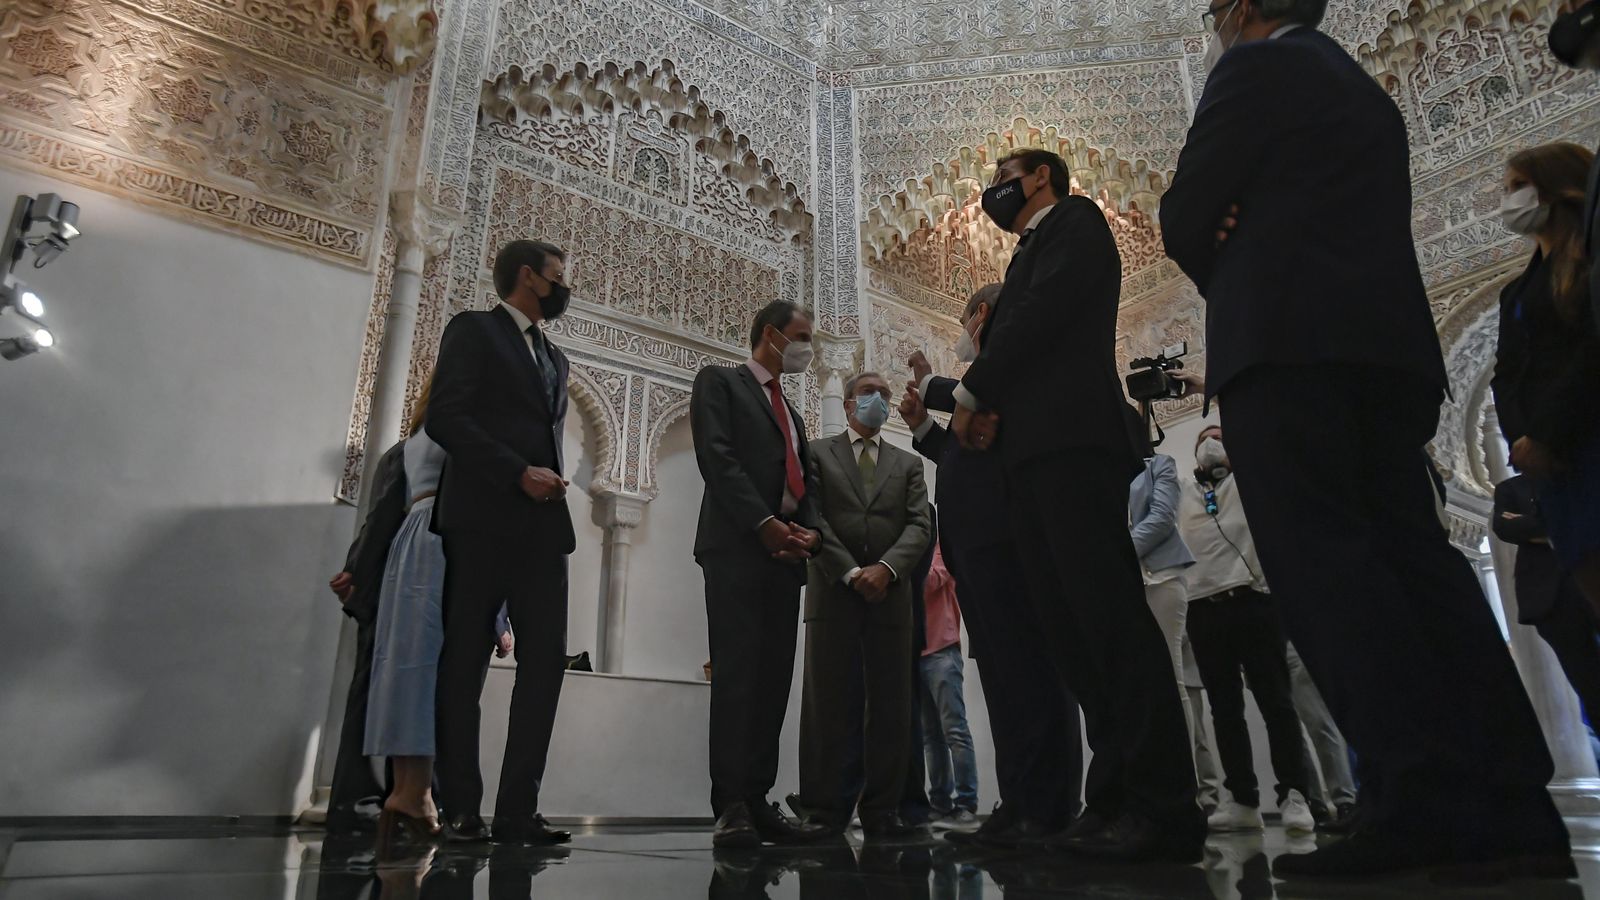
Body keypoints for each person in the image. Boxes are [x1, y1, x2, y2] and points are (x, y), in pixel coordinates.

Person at [1160, 0, 1569, 877]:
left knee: (1332, 578)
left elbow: (1188, 216)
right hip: (1383, 354)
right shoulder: (1360, 87)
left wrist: (1226, 236)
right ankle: (1506, 797)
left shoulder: (1251, 69)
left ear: (1239, 10)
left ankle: (1412, 798)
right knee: (1415, 565)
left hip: (1286, 351)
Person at [946, 149, 1202, 861]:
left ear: (1040, 178)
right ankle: (1115, 799)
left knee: (1109, 624)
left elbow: (1038, 320)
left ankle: (1163, 807)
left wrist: (973, 393)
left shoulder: (1076, 224)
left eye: (1005, 174)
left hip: (1071, 450)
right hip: (1033, 457)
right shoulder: (1036, 245)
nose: (993, 188)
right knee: (1074, 635)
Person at [903, 284, 1086, 850]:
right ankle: (1019, 802)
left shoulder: (1006, 368)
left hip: (1009, 547)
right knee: (1008, 680)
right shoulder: (977, 395)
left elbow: (983, 422)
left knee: (1031, 675)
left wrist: (934, 385)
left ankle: (1048, 806)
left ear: (980, 317)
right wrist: (921, 430)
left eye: (964, 321)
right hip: (980, 555)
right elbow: (967, 454)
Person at [426, 239, 577, 846]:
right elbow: (447, 417)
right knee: (464, 660)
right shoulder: (474, 331)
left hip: (542, 530)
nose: (564, 286)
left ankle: (519, 809)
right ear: (527, 277)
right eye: (557, 277)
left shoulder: (555, 357)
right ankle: (460, 805)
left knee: (544, 665)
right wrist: (517, 471)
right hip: (483, 519)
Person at [690, 299, 833, 849]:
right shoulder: (721, 384)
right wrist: (762, 523)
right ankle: (730, 804)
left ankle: (757, 798)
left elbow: (807, 484)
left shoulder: (792, 413)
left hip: (786, 559)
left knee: (773, 682)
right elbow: (718, 457)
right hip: (737, 551)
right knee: (738, 678)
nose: (806, 348)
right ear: (770, 335)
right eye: (801, 336)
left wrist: (811, 533)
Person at [364, 376, 513, 848]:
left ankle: (409, 793)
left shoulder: (418, 436)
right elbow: (486, 507)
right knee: (441, 676)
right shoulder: (463, 431)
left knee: (409, 671)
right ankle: (417, 797)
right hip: (449, 539)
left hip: (411, 543)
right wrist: (500, 615)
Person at [797, 371, 932, 837]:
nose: (878, 399)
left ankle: (883, 810)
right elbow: (812, 516)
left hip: (891, 599)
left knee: (891, 706)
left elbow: (919, 525)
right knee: (827, 704)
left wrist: (887, 569)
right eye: (868, 392)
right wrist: (852, 571)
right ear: (850, 404)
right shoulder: (817, 452)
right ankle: (823, 809)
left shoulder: (908, 463)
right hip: (834, 593)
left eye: (885, 394)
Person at [1177, 426, 1315, 836]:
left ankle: (1295, 794)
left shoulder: (1250, 484)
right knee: (1225, 709)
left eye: (1218, 436)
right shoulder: (1186, 493)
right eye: (1203, 439)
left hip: (1254, 600)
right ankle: (1241, 798)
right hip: (1204, 608)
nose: (1209, 443)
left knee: (1276, 702)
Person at [1491, 143, 1600, 616]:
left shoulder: (1587, 265)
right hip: (1556, 469)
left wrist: (1548, 433)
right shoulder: (1519, 289)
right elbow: (1507, 372)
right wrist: (1521, 439)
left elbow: (1589, 352)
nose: (1510, 199)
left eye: (1519, 187)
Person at [325, 439, 408, 835]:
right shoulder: (412, 451)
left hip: (406, 584)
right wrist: (356, 572)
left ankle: (390, 800)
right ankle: (358, 804)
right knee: (373, 693)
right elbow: (381, 518)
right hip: (392, 584)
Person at [1494, 474, 1600, 742]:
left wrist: (1535, 527)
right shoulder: (1511, 488)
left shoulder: (1581, 473)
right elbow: (1505, 528)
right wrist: (1567, 525)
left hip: (1591, 578)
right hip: (1552, 598)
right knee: (1588, 684)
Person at [918, 542, 979, 828]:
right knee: (930, 736)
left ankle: (966, 804)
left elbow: (930, 581)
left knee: (954, 730)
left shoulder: (940, 547)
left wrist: (899, 567)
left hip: (942, 648)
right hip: (916, 651)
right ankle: (939, 802)